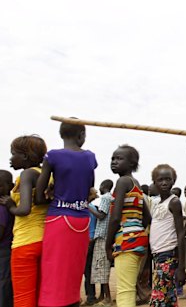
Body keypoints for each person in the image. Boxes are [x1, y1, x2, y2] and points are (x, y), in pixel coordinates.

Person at [34, 121, 97, 307]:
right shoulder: (90, 157)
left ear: (61, 135)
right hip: (82, 220)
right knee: (74, 269)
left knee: (54, 268)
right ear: (81, 135)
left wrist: (52, 193)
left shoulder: (52, 156)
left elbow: (38, 195)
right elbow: (89, 188)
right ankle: (72, 301)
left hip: (59, 219)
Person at [0, 135, 48, 307]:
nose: (11, 158)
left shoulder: (27, 174)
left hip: (25, 242)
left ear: (25, 156)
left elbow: (24, 209)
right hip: (46, 240)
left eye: (14, 154)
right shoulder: (47, 174)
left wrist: (10, 205)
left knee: (23, 296)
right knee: (40, 293)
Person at [106, 145, 151, 307]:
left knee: (124, 291)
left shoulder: (122, 181)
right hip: (138, 240)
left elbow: (115, 217)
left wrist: (107, 245)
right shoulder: (135, 183)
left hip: (126, 241)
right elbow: (147, 216)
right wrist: (137, 228)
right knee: (130, 287)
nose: (114, 162)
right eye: (113, 158)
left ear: (132, 164)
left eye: (119, 158)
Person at [149, 164, 186, 307]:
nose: (164, 183)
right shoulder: (158, 203)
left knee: (158, 299)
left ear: (173, 181)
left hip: (168, 255)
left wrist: (182, 268)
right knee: (168, 298)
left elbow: (181, 233)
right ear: (154, 182)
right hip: (158, 255)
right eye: (160, 180)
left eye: (168, 179)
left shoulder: (174, 202)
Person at [88, 179, 114, 306]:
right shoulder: (111, 198)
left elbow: (101, 215)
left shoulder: (105, 198)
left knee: (102, 267)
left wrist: (86, 205)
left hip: (102, 236)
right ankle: (102, 295)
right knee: (100, 267)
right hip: (105, 235)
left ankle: (107, 298)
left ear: (103, 186)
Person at [0, 170, 15, 307]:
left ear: (10, 186)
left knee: (3, 284)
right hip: (7, 250)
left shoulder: (2, 208)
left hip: (4, 251)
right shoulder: (10, 205)